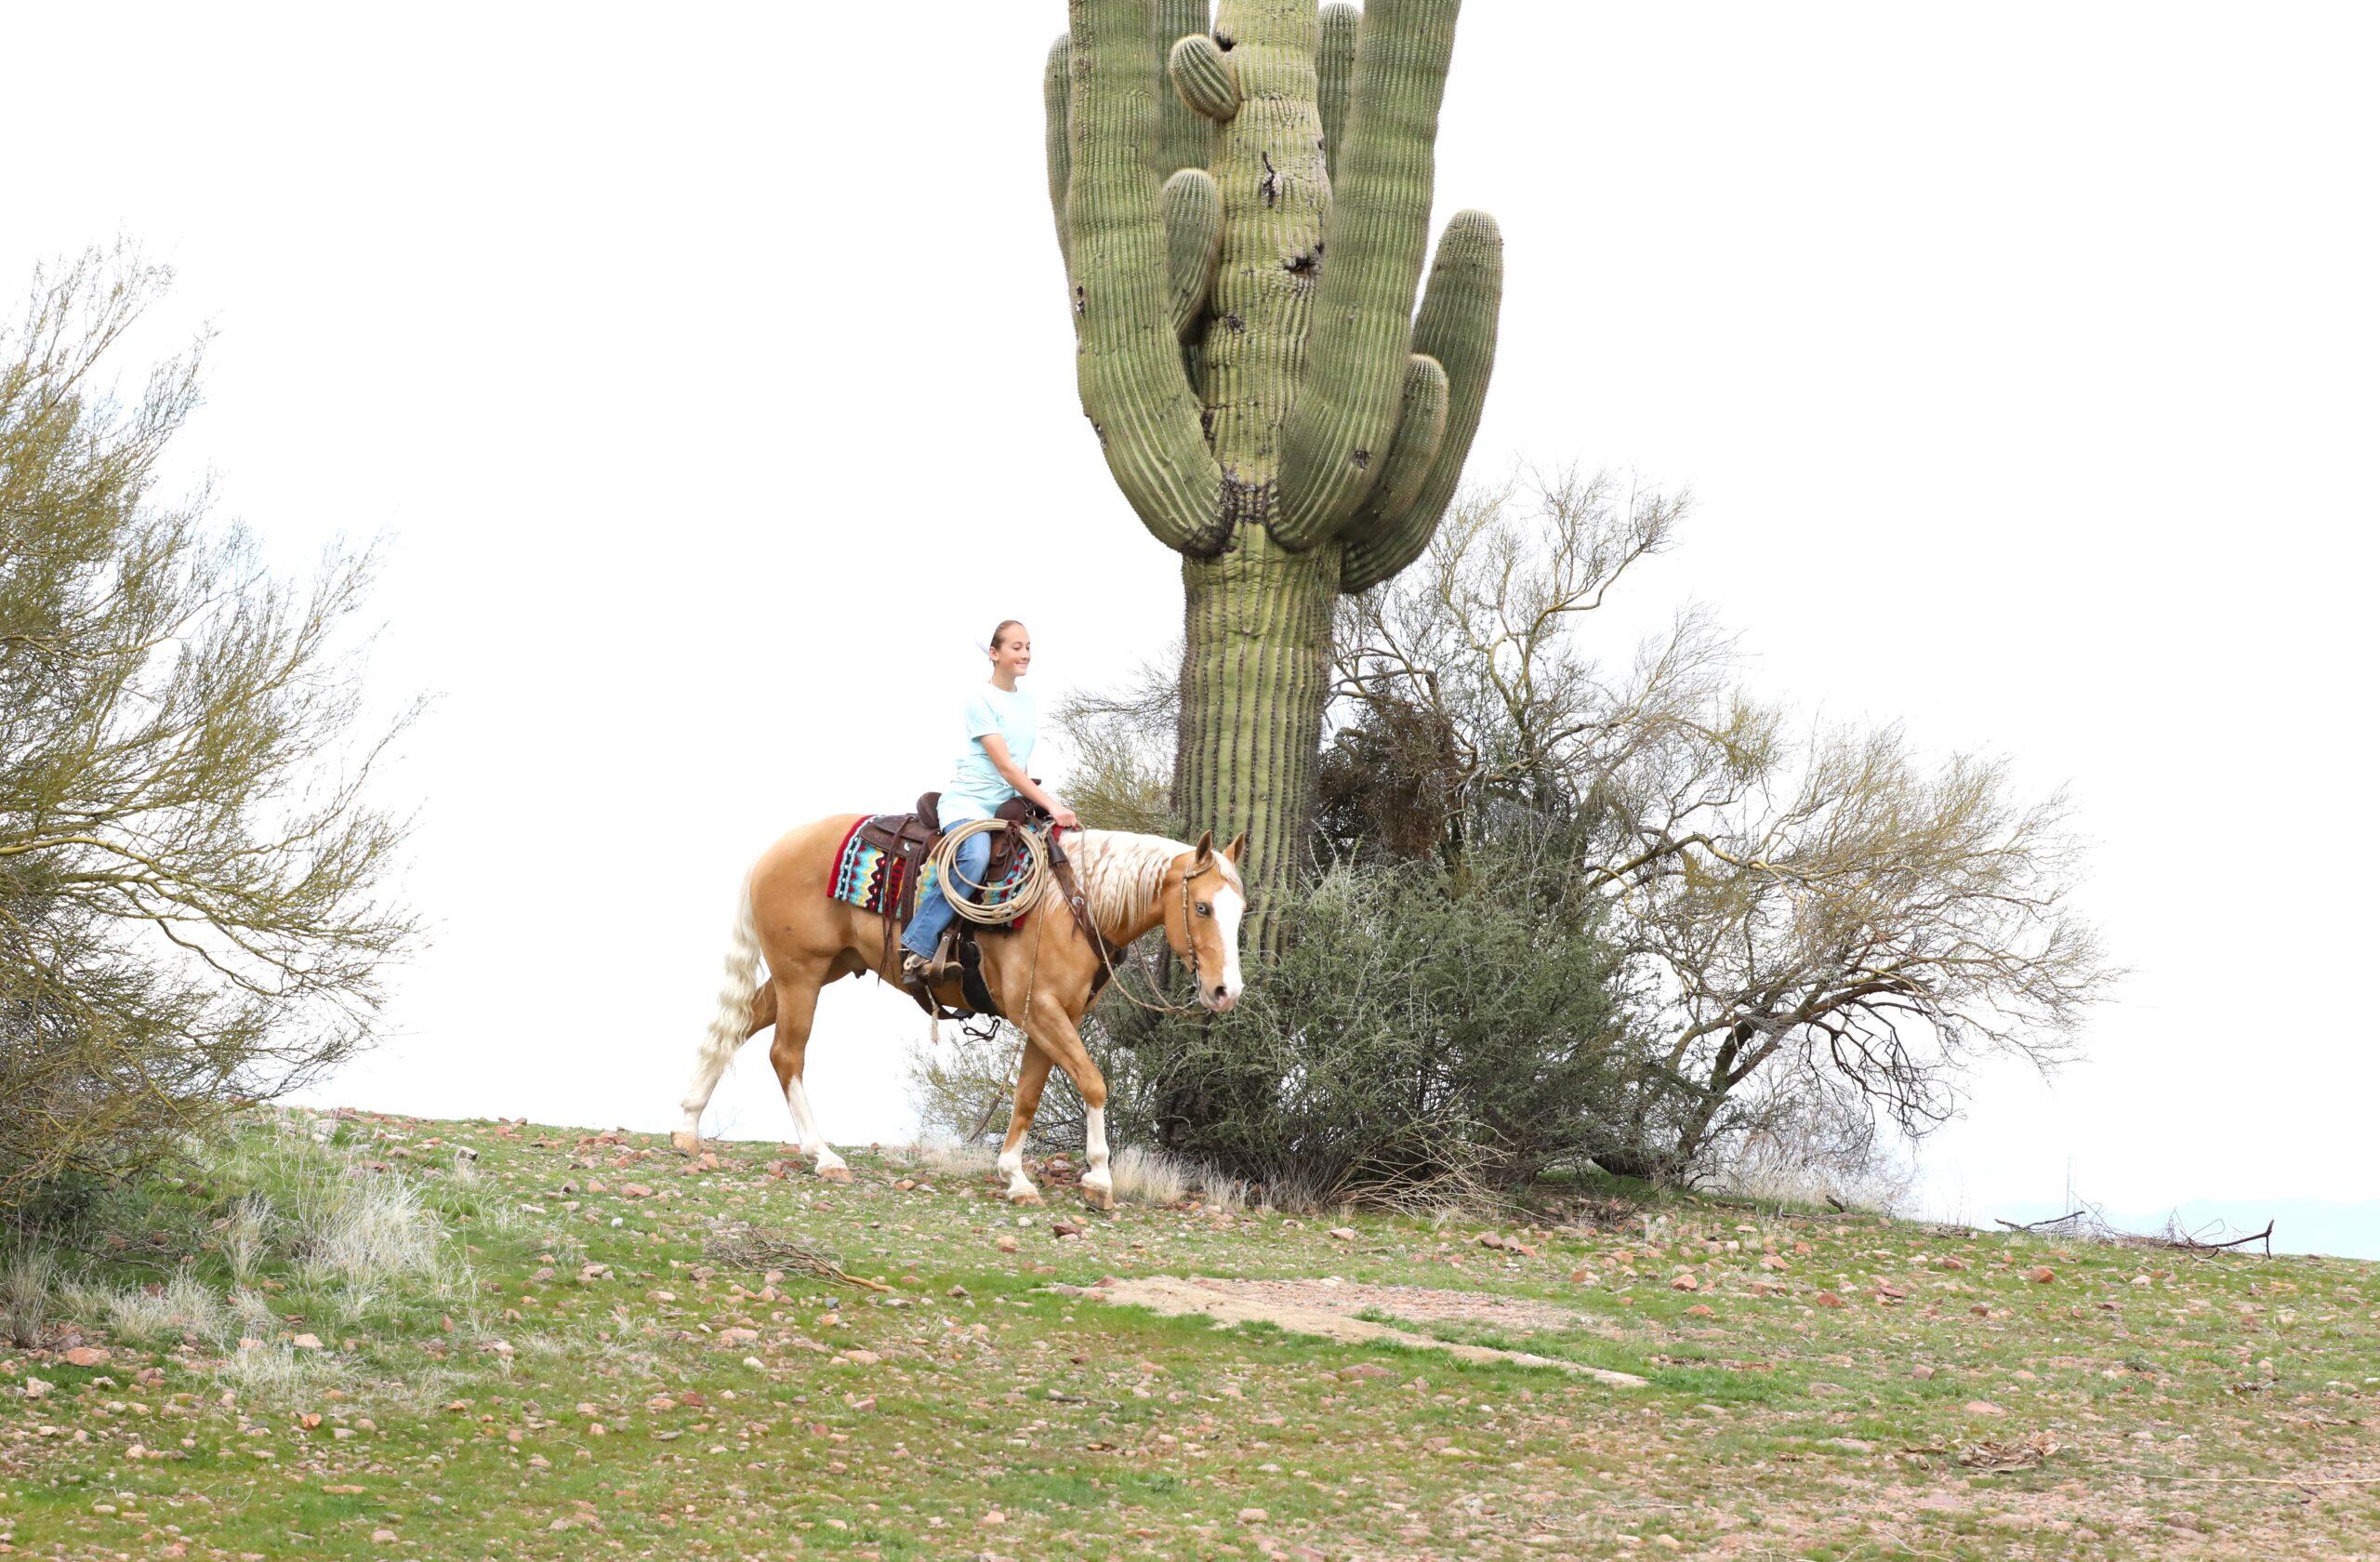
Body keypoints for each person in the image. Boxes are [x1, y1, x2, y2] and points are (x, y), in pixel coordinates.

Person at [900, 620, 1078, 983]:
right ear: (994, 654)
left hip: (1005, 803)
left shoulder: (1027, 702)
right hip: (969, 803)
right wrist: (1053, 804)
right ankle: (918, 945)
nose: (1025, 654)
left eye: (1028, 646)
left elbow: (1020, 764)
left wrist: (1036, 806)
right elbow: (1006, 766)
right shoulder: (979, 701)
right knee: (976, 856)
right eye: (1016, 647)